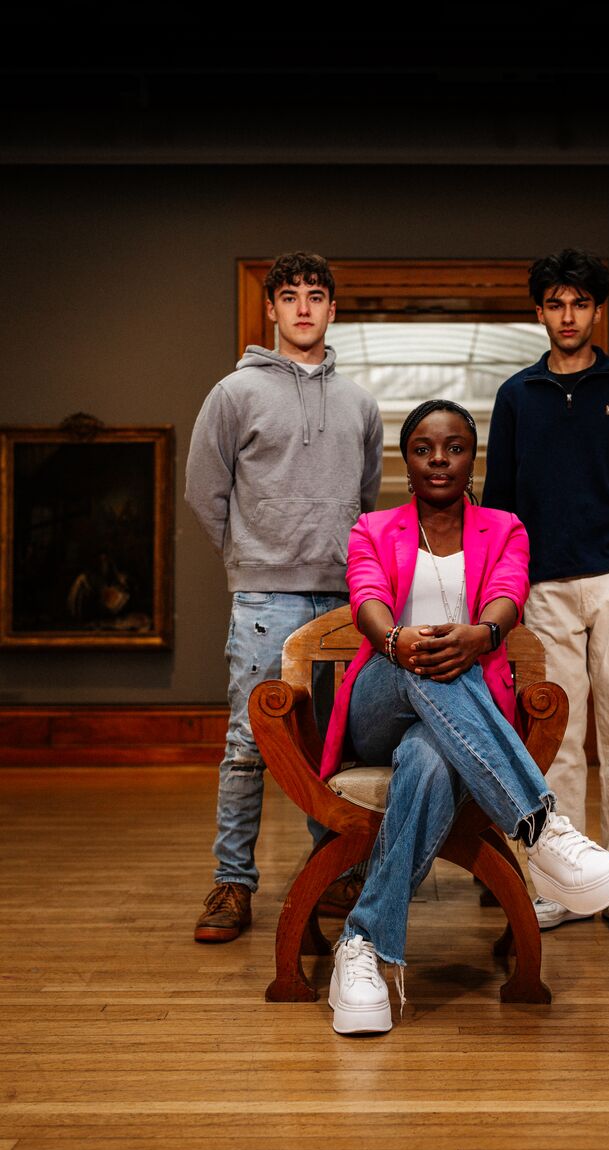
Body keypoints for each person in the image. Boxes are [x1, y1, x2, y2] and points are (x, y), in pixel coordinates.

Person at [318, 400, 609, 1035]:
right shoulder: (372, 528)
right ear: (406, 461)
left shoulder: (506, 527)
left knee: (430, 759)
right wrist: (398, 643)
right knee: (428, 658)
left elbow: (509, 597)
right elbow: (367, 598)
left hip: (452, 725)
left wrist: (482, 636)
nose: (440, 458)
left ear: (473, 459)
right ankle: (540, 825)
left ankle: (362, 946)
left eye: (455, 447)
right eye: (424, 448)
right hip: (381, 697)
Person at [483, 249, 609, 938]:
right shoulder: (515, 396)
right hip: (542, 591)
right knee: (555, 743)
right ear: (538, 311)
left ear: (596, 311)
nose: (566, 316)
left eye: (579, 303)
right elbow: (502, 506)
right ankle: (566, 886)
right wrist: (510, 582)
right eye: (554, 303)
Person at [185, 251, 383, 942]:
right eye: (290, 295)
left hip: (337, 605)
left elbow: (364, 501)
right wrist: (251, 557)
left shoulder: (360, 402)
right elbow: (204, 493)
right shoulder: (233, 393)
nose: (303, 306)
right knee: (247, 744)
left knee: (329, 750)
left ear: (333, 309)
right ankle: (232, 886)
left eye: (317, 295)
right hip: (264, 604)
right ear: (269, 308)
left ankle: (328, 876)